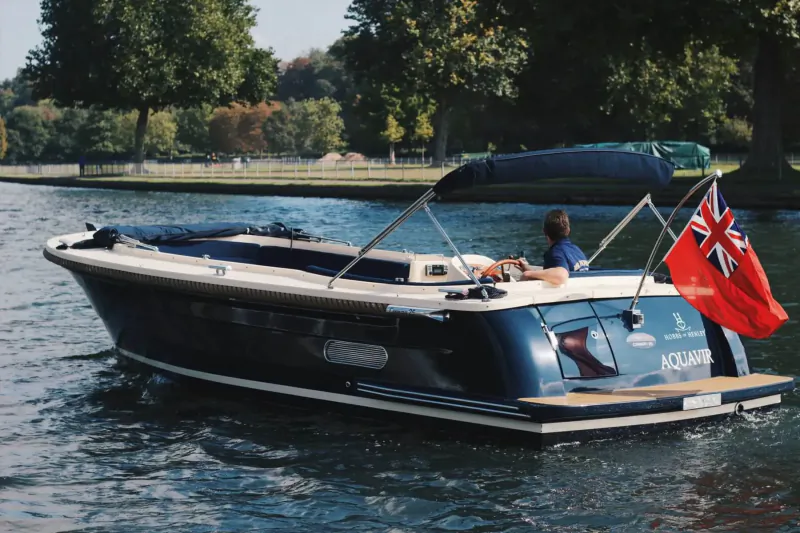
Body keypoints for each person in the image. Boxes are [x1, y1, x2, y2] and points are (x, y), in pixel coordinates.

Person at [518, 208, 588, 285]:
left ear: (544, 231)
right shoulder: (577, 250)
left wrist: (527, 274)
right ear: (568, 230)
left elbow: (560, 276)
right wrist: (528, 269)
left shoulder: (555, 253)